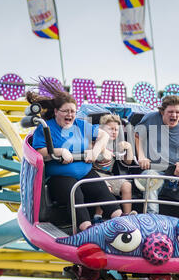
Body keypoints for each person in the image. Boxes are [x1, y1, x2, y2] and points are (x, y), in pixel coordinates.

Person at [29, 79, 122, 231]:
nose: (70, 114)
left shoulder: (80, 125)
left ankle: (121, 222)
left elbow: (103, 136)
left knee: (101, 191)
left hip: (85, 172)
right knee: (75, 193)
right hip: (59, 178)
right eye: (66, 111)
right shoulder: (45, 128)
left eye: (72, 111)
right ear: (56, 112)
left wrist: (95, 150)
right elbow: (40, 152)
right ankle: (86, 229)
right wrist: (60, 151)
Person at [134, 94, 179, 215]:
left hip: (176, 177)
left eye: (177, 112)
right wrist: (142, 156)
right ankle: (152, 219)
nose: (174, 115)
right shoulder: (151, 118)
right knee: (149, 177)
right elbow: (137, 136)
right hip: (155, 172)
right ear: (162, 111)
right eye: (170, 112)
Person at [92, 114, 136, 220]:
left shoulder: (116, 145)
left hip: (109, 175)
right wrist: (102, 150)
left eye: (116, 129)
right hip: (95, 174)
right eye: (110, 129)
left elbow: (128, 161)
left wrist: (129, 148)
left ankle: (127, 216)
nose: (114, 132)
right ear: (101, 129)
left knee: (126, 185)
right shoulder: (96, 143)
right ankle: (98, 216)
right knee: (105, 187)